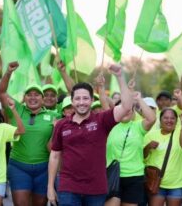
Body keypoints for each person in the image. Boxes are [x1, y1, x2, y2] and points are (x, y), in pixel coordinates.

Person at [47, 64, 133, 206]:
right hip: (68, 188)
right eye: (78, 99)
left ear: (92, 100)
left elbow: (126, 106)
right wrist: (50, 187)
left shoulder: (102, 120)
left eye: (86, 99)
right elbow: (55, 156)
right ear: (72, 101)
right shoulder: (62, 125)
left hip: (96, 189)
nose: (82, 103)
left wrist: (119, 77)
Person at [0, 61, 57, 206]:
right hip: (19, 167)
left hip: (44, 168)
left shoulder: (53, 115)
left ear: (43, 100)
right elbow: (2, 93)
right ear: (24, 98)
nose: (33, 97)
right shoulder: (16, 109)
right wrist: (8, 72)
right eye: (29, 95)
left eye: (37, 95)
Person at [105, 93, 156, 206]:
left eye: (129, 108)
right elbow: (104, 103)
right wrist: (101, 88)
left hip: (134, 177)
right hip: (112, 176)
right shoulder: (109, 125)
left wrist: (138, 99)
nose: (126, 111)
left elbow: (152, 118)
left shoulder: (138, 126)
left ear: (133, 111)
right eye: (123, 108)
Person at [143, 107, 182, 206]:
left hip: (177, 184)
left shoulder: (181, 132)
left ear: (177, 121)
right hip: (156, 184)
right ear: (160, 119)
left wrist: (180, 97)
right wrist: (148, 147)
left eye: (172, 118)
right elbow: (142, 157)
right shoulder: (150, 135)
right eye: (166, 118)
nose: (169, 121)